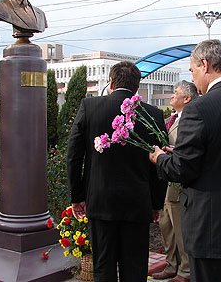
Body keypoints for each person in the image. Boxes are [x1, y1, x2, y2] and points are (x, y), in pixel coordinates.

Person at [149, 39, 221, 282]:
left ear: (204, 64)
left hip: (210, 228)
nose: (193, 79)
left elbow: (182, 170)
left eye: (192, 71)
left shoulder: (199, 109)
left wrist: (160, 158)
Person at [67, 61, 167, 282]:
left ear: (110, 83)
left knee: (103, 266)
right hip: (138, 202)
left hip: (101, 201)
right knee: (135, 267)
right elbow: (160, 163)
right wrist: (156, 203)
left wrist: (77, 197)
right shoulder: (153, 115)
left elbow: (74, 156)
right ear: (137, 88)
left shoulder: (89, 107)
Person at [153, 80, 198, 282]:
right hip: (165, 178)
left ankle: (185, 270)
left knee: (179, 227)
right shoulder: (170, 119)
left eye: (176, 92)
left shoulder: (191, 119)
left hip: (178, 182)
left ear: (187, 98)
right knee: (166, 224)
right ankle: (171, 264)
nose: (172, 95)